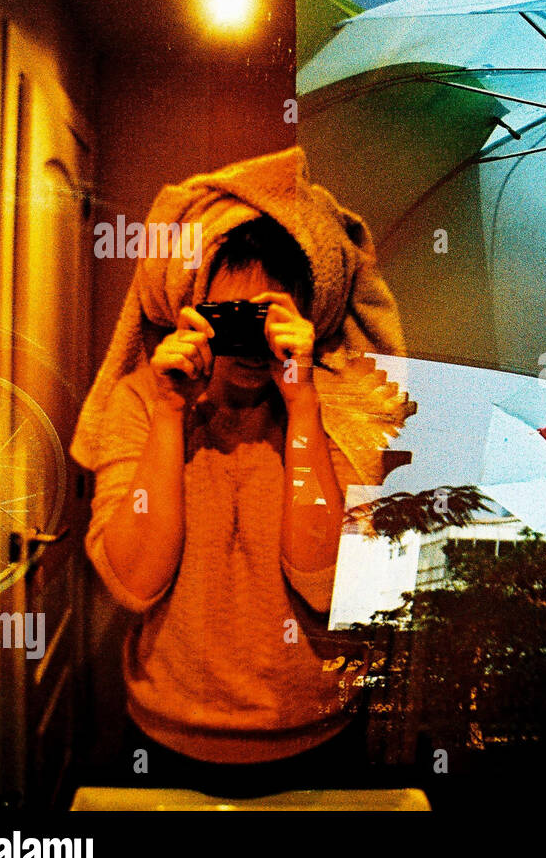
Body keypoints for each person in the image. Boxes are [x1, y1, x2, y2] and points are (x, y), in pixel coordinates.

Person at [72, 148, 408, 796]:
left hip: (320, 739)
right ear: (191, 310)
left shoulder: (345, 405)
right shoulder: (142, 401)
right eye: (235, 318)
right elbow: (134, 584)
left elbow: (326, 584)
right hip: (165, 740)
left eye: (270, 318)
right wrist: (171, 414)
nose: (252, 342)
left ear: (309, 318)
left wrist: (304, 404)